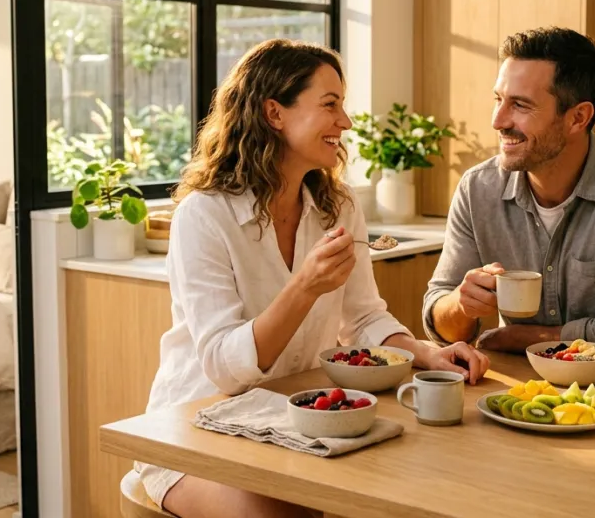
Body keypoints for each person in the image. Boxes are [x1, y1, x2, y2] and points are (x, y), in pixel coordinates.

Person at [137, 38, 490, 518]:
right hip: (197, 428)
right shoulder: (205, 214)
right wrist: (304, 287)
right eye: (330, 105)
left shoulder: (337, 206)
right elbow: (222, 366)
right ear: (274, 113)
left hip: (294, 418)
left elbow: (365, 317)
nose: (344, 122)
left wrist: (428, 352)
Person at [422, 26, 595, 372]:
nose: (498, 121)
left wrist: (518, 337)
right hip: (519, 394)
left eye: (521, 105)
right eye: (499, 99)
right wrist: (461, 305)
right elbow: (441, 327)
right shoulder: (477, 189)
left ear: (578, 118)